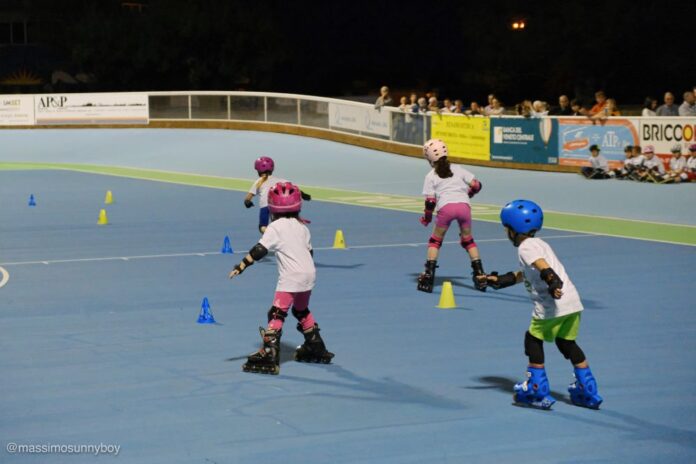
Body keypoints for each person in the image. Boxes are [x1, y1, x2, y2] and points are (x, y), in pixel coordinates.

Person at [482, 200, 603, 410]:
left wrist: (552, 281)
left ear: (513, 229)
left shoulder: (525, 247)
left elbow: (542, 266)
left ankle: (536, 389)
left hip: (552, 304)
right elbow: (528, 272)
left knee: (533, 339)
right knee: (566, 342)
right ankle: (588, 389)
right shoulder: (539, 244)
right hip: (572, 302)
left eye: (506, 228)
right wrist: (500, 280)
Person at [230, 182, 334, 375]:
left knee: (276, 313)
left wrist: (241, 265)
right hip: (309, 274)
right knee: (301, 310)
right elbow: (310, 253)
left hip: (291, 276)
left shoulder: (275, 227)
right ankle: (316, 346)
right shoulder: (302, 227)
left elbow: (260, 250)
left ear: (273, 207)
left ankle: (269, 353)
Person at [417, 139, 487, 293]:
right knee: (468, 241)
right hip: (464, 207)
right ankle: (480, 275)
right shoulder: (458, 169)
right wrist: (469, 194)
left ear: (429, 158)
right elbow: (477, 185)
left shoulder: (430, 176)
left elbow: (430, 202)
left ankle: (428, 276)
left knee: (435, 241)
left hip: (446, 209)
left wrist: (427, 218)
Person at [245, 157, 310, 233]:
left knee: (262, 227)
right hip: (279, 205)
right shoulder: (280, 180)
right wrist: (303, 195)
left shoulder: (259, 181)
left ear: (258, 170)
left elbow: (248, 198)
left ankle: (270, 235)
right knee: (280, 223)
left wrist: (248, 202)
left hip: (265, 206)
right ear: (272, 169)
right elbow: (291, 188)